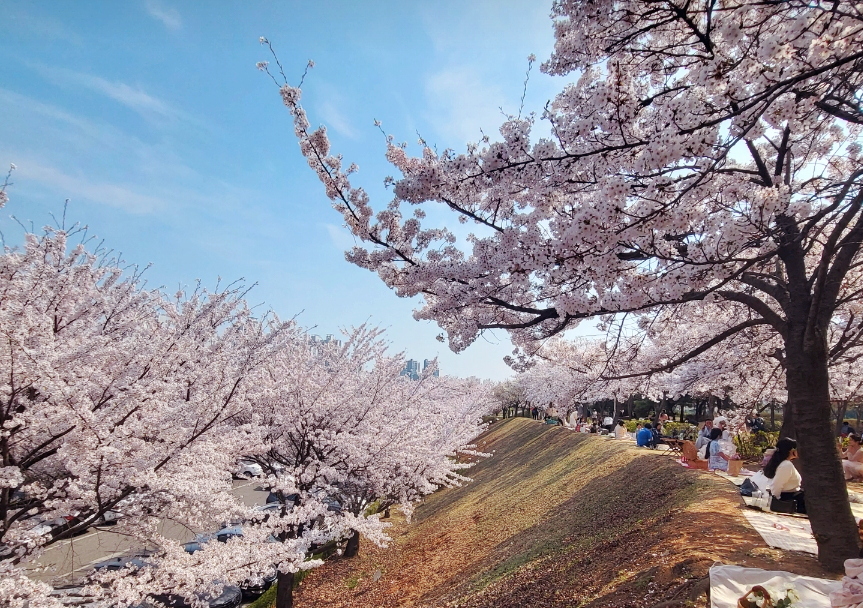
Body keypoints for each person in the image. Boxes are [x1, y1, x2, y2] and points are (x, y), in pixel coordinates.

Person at [764, 437, 805, 514]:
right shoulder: (786, 465)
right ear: (791, 450)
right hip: (789, 498)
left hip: (793, 495)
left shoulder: (785, 463)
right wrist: (777, 502)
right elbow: (776, 485)